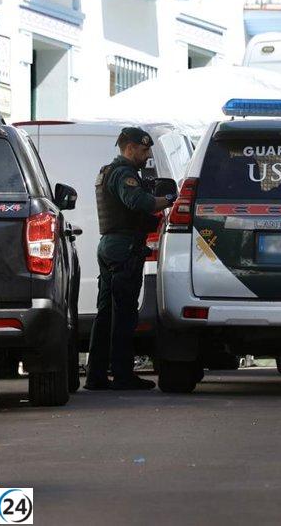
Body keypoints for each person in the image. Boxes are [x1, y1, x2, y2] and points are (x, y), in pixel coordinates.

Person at [86, 127, 176, 391]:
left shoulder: (107, 172)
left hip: (110, 245)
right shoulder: (124, 174)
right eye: (144, 149)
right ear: (130, 148)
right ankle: (123, 375)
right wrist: (170, 199)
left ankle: (96, 375)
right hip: (123, 246)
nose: (147, 155)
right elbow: (140, 203)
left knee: (106, 313)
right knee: (124, 314)